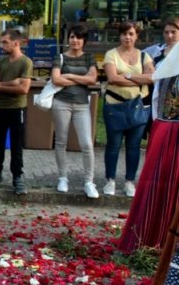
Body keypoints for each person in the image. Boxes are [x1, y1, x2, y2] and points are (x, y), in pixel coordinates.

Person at [117, 18, 179, 253]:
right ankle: (151, 236)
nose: (170, 36)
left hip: (170, 127)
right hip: (164, 127)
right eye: (167, 31)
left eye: (174, 32)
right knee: (157, 182)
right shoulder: (159, 58)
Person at [0, 29, 33, 194]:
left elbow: (24, 89)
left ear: (16, 43)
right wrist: (13, 83)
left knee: (16, 144)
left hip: (17, 109)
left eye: (5, 42)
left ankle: (18, 176)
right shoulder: (1, 62)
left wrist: (5, 85)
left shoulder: (26, 62)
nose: (2, 45)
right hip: (0, 108)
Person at [102, 21, 154, 197]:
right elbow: (112, 78)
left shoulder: (144, 56)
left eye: (131, 33)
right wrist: (138, 78)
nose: (128, 37)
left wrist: (128, 75)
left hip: (138, 107)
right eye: (124, 33)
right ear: (120, 35)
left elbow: (151, 78)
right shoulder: (111, 54)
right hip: (114, 106)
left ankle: (130, 181)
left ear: (136, 35)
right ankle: (110, 180)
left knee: (134, 146)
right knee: (113, 145)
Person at [49, 24, 99, 198]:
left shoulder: (89, 58)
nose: (75, 40)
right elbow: (56, 79)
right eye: (72, 37)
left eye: (78, 37)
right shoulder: (60, 57)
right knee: (61, 141)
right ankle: (63, 178)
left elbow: (93, 79)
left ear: (84, 40)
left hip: (82, 105)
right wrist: (81, 80)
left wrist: (69, 76)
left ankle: (89, 182)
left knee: (86, 143)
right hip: (61, 103)